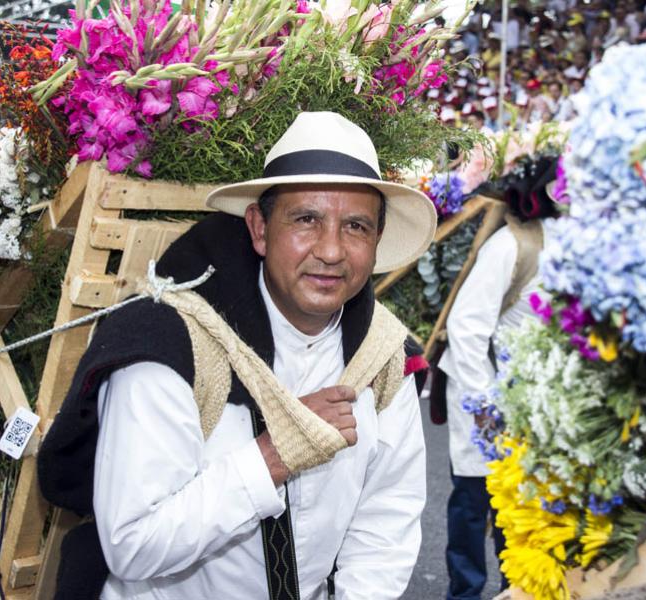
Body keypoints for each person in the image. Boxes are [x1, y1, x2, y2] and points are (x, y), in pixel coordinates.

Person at [38, 112, 435, 600]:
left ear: (375, 243)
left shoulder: (382, 358)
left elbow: (387, 519)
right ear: (260, 229)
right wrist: (272, 458)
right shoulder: (169, 344)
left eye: (355, 226)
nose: (331, 250)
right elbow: (131, 545)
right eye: (306, 219)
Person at [440, 155, 561, 600]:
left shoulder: (589, 245)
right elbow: (466, 328)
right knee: (475, 505)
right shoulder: (513, 244)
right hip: (487, 394)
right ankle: (466, 593)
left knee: (531, 515)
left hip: (546, 406)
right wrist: (486, 402)